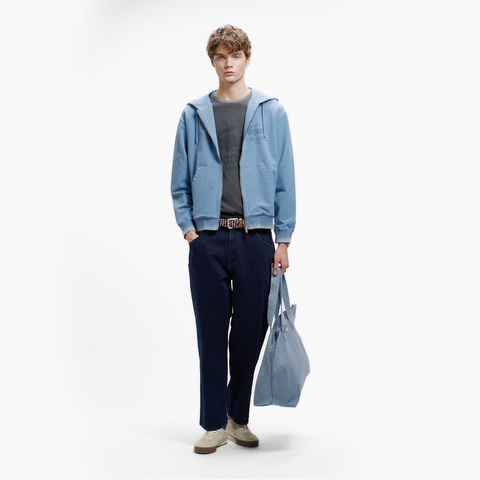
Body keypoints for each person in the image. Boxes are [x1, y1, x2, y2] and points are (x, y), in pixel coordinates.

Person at [171, 24, 296, 454]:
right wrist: (190, 230)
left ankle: (236, 418)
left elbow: (284, 179)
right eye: (221, 56)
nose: (229, 63)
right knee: (210, 336)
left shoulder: (271, 112)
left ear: (247, 58)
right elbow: (179, 180)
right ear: (212, 61)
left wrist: (283, 239)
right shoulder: (193, 113)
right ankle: (212, 424)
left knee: (248, 334)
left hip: (255, 238)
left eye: (235, 55)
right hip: (207, 240)